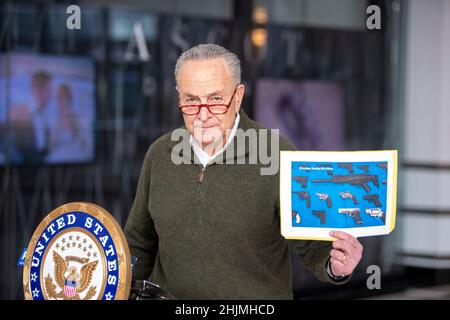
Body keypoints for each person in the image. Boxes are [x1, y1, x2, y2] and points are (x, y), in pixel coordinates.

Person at [124, 44, 363, 299]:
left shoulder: (277, 153)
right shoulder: (160, 154)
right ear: (179, 98)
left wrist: (335, 264)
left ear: (237, 97)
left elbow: (313, 246)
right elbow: (139, 243)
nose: (202, 116)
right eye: (191, 100)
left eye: (216, 100)